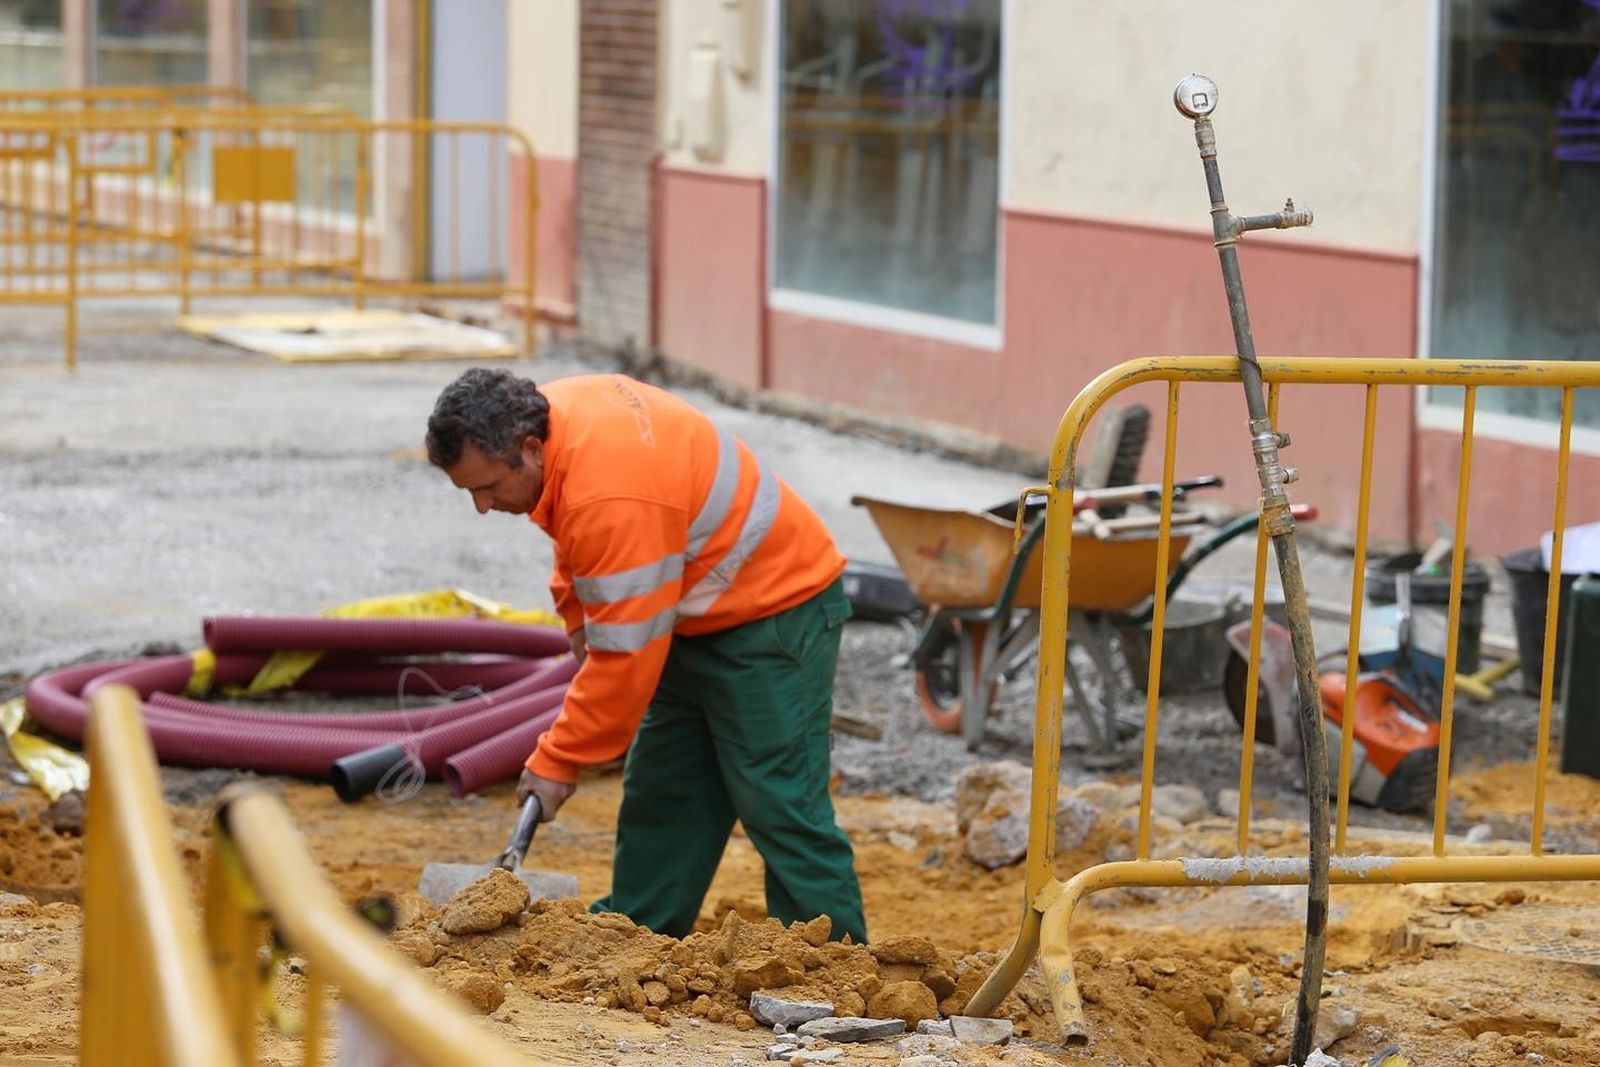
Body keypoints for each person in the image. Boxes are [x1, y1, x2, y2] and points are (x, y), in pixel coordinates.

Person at [425, 368, 867, 943]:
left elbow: (622, 661)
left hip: (775, 610)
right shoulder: (552, 425)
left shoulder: (609, 489)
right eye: (469, 492)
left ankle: (833, 961)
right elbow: (575, 536)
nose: (482, 506)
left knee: (777, 796)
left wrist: (558, 759)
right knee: (667, 782)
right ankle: (635, 936)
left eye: (485, 488)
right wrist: (580, 617)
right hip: (690, 607)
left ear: (529, 450)